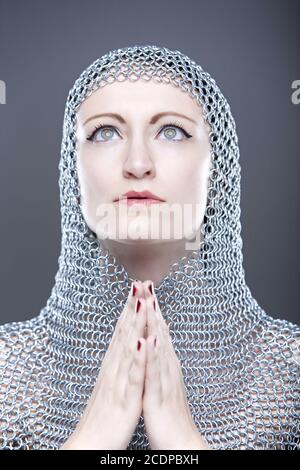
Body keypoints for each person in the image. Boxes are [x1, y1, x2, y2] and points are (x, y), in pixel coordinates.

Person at [0, 44, 299, 450]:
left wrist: (183, 442)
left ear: (218, 165)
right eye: (105, 132)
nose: (138, 162)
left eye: (171, 131)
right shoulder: (10, 379)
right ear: (73, 170)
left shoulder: (287, 380)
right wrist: (93, 437)